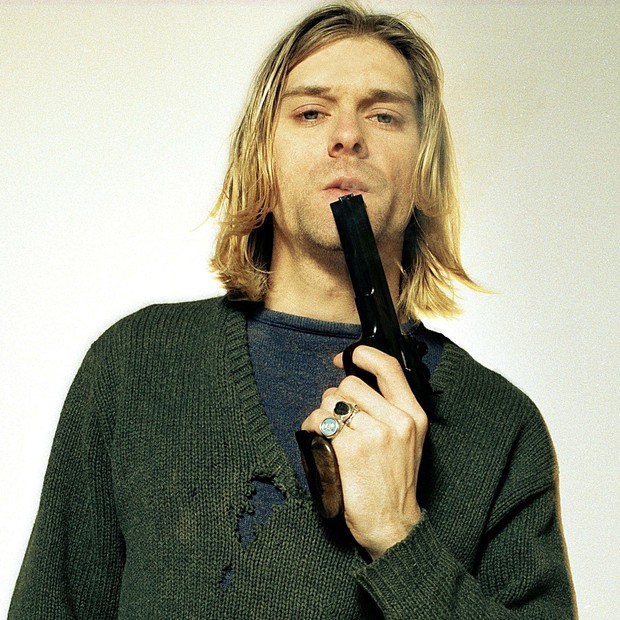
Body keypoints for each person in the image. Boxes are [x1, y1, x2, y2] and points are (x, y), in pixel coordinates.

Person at [9, 3, 576, 618]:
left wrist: (399, 536)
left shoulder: (500, 426)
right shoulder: (137, 365)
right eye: (311, 112)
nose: (347, 136)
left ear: (424, 169)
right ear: (263, 157)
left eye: (383, 115)